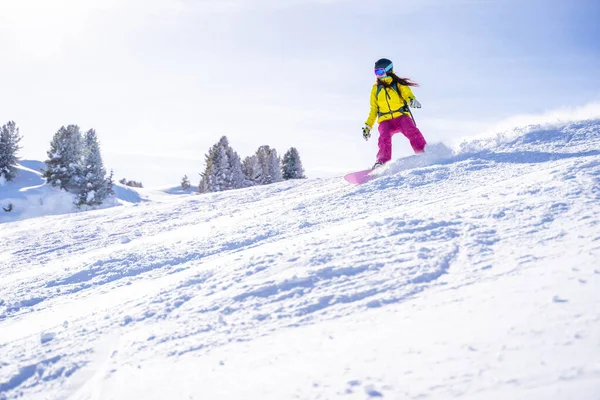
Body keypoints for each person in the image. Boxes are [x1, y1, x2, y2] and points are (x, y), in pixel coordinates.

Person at [362, 58, 427, 169]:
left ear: (389, 70)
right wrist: (368, 126)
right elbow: (373, 109)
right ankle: (382, 161)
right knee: (384, 138)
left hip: (401, 116)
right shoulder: (375, 88)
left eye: (380, 72)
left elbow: (407, 93)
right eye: (376, 72)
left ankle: (423, 152)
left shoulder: (398, 84)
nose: (378, 75)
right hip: (385, 120)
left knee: (411, 131)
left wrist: (411, 100)